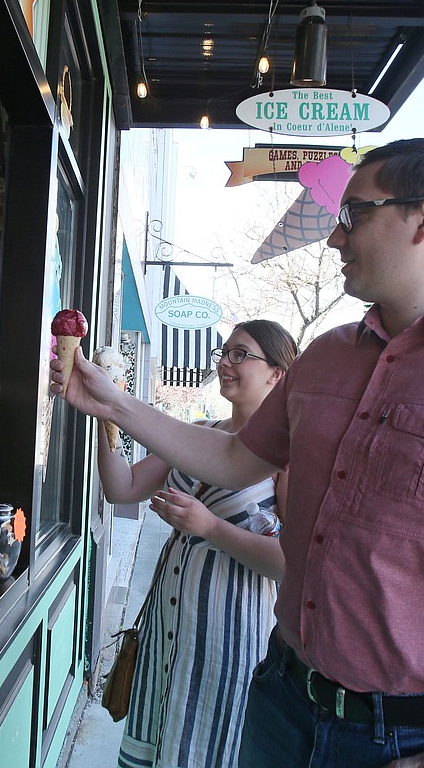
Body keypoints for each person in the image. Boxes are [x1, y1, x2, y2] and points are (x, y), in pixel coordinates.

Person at [51, 139, 424, 767]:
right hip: (280, 702)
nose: (334, 238)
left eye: (354, 214)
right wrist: (114, 407)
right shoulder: (325, 357)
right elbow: (236, 460)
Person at [100, 320, 296, 768]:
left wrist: (210, 528)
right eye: (224, 353)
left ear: (277, 374)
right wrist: (105, 415)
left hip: (228, 642)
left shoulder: (288, 456)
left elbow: (291, 562)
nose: (226, 363)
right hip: (166, 633)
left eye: (241, 355)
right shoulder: (199, 431)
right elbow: (122, 487)